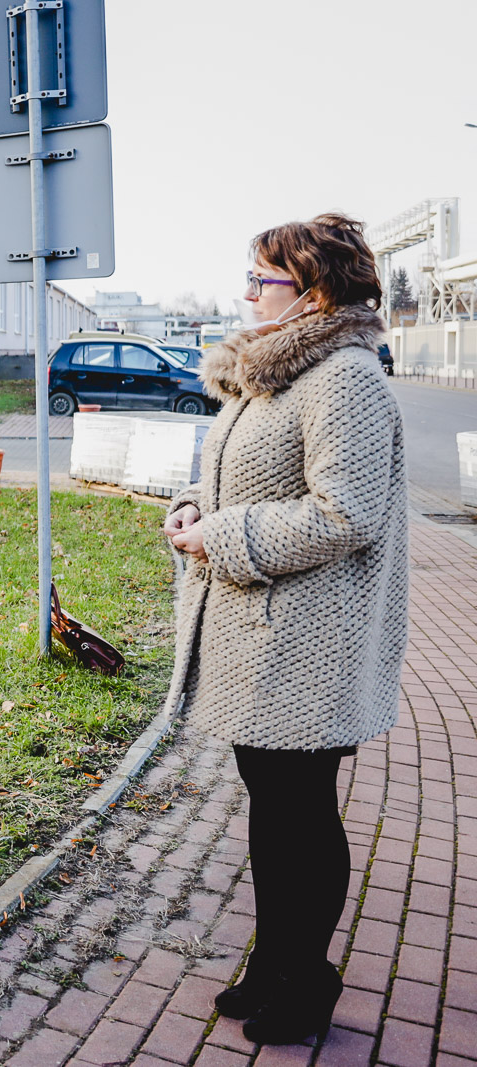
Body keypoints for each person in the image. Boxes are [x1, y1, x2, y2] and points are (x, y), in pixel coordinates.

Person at [161, 213, 408, 1046]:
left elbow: (348, 512)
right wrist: (196, 507)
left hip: (311, 647)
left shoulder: (344, 376)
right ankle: (274, 959)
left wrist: (222, 538)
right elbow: (228, 475)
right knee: (273, 811)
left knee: (303, 817)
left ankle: (309, 979)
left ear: (311, 291)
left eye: (260, 278)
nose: (246, 291)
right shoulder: (269, 373)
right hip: (263, 641)